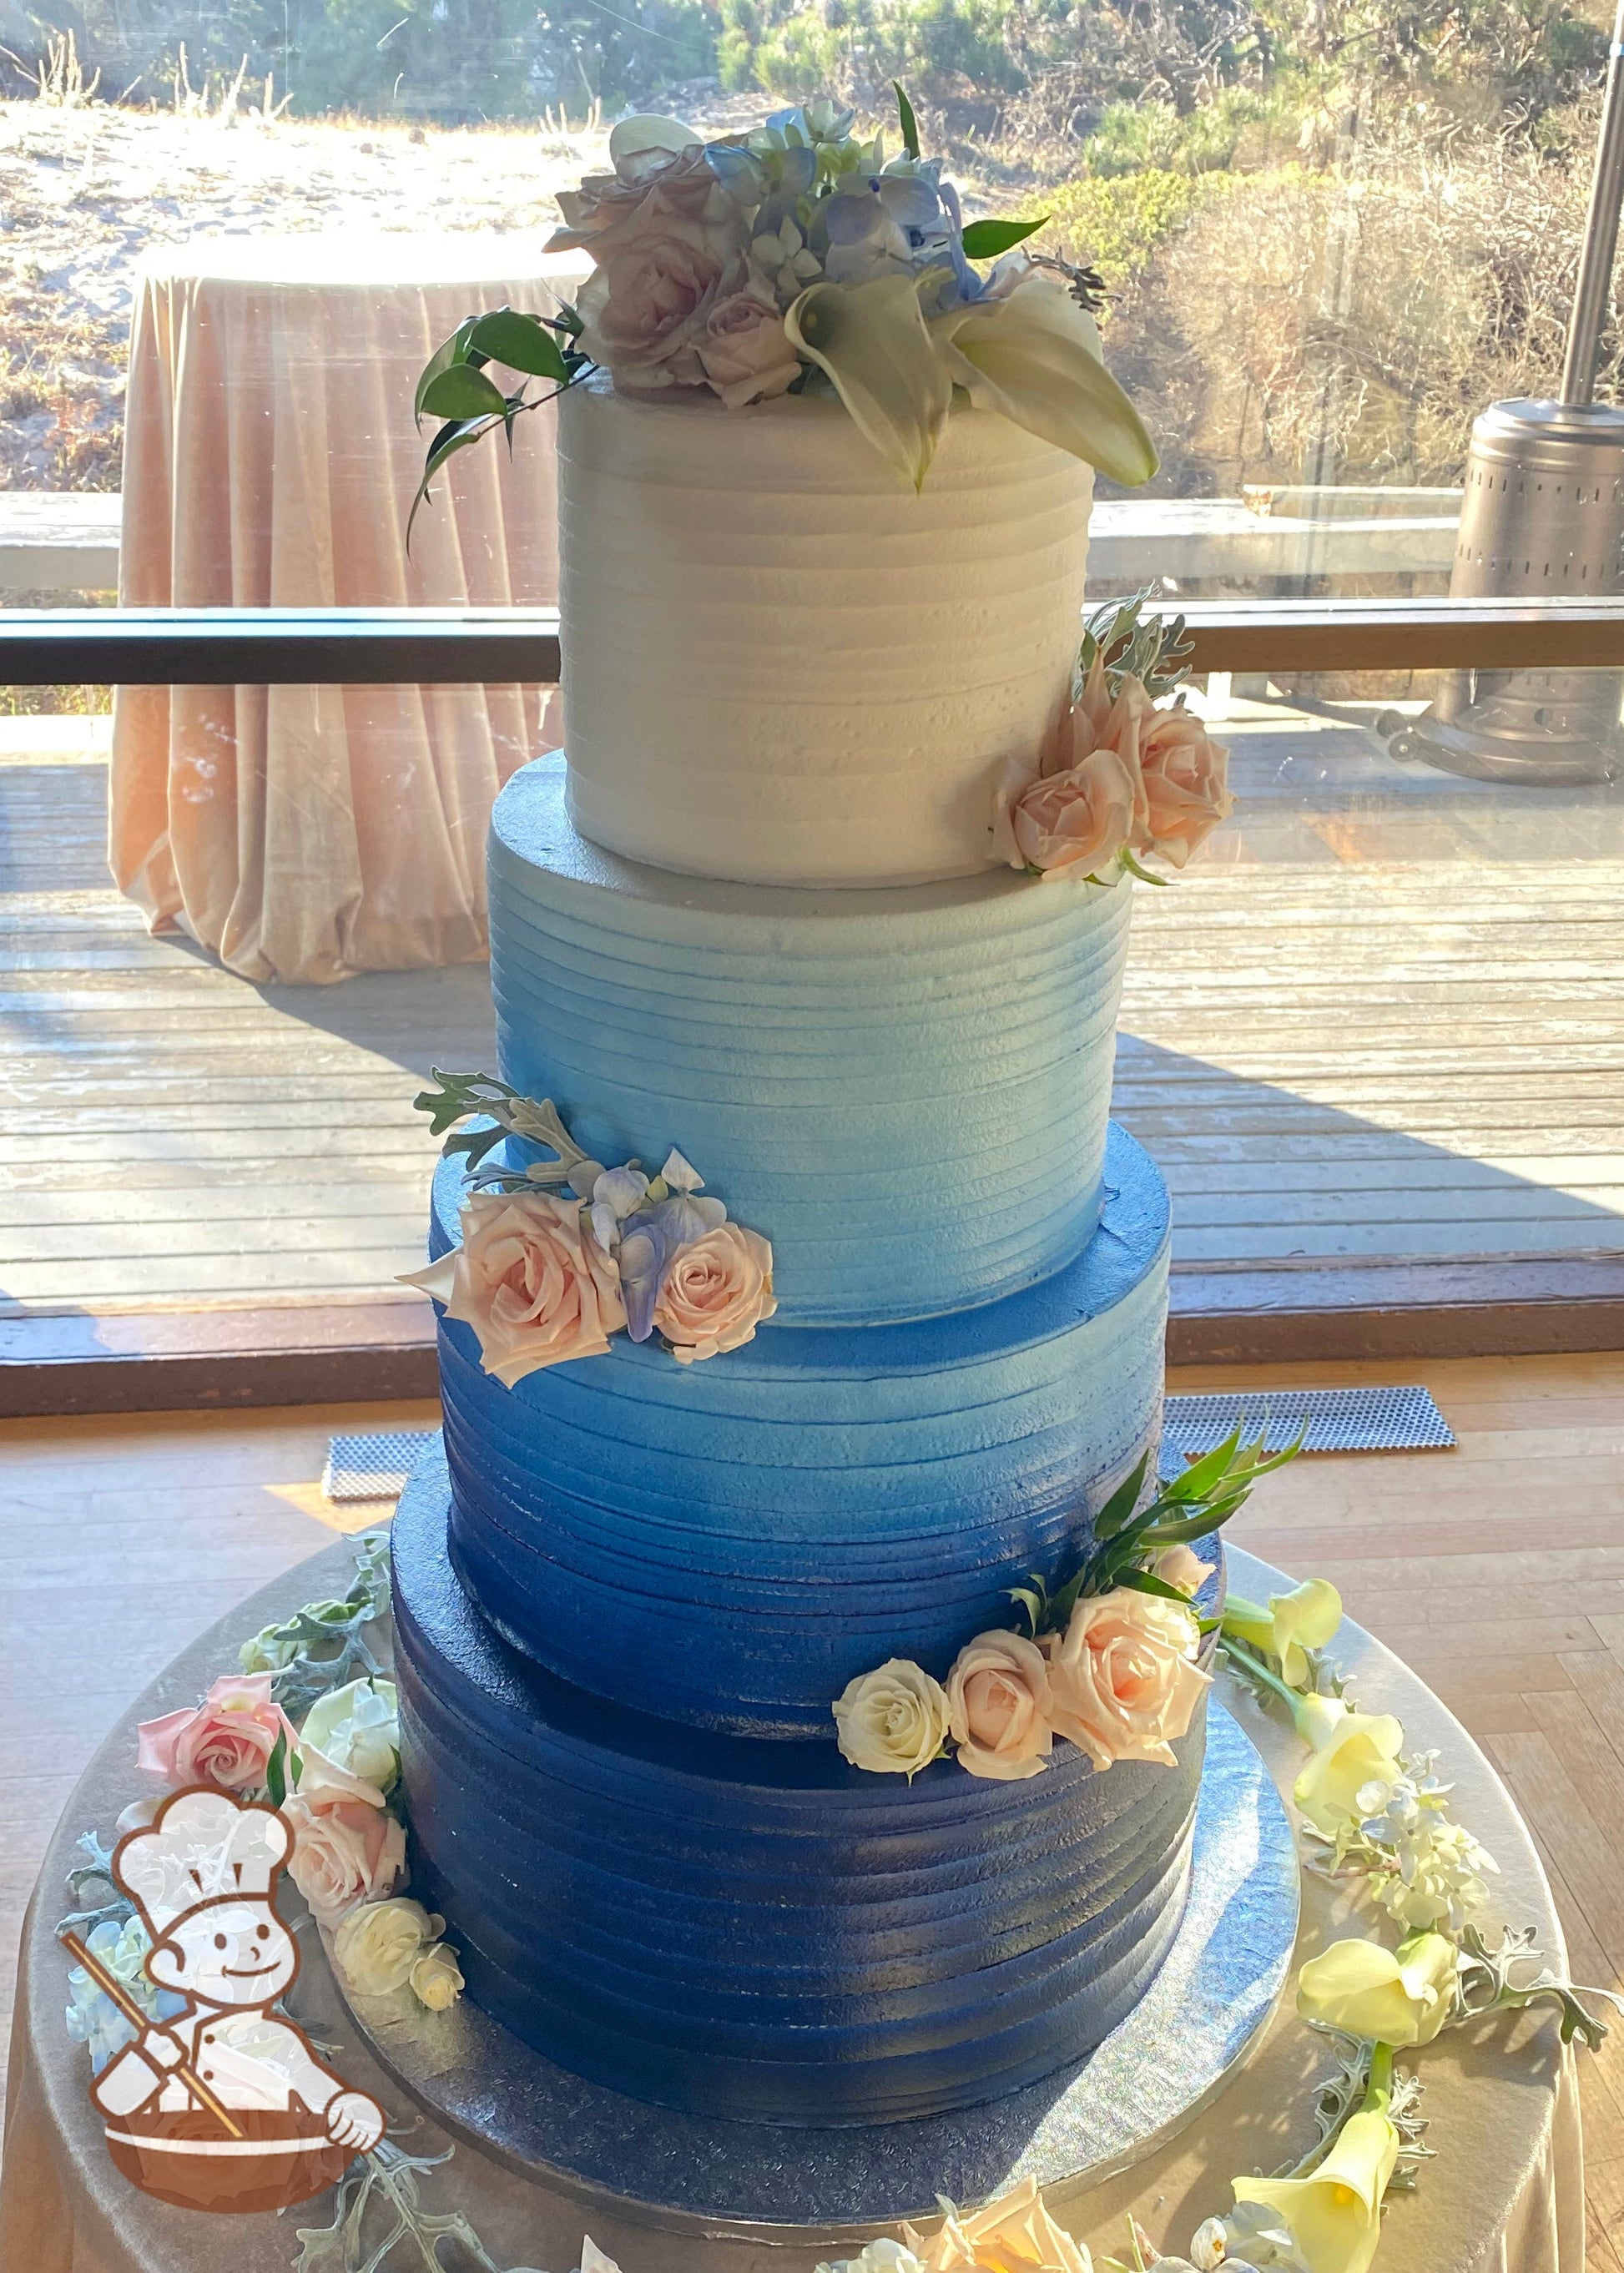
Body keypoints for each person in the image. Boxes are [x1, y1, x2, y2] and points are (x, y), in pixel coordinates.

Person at [90, 1785, 385, 2214]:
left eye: (259, 1938)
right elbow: (116, 2097)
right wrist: (151, 2058)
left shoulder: (274, 2037)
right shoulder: (175, 2037)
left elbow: (319, 2088)